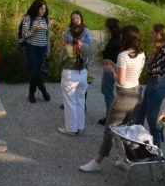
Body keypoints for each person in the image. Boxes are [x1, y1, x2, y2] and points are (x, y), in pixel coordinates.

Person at [79, 26, 146, 173]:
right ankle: (125, 160)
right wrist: (116, 66)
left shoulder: (123, 55)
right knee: (126, 128)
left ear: (125, 38)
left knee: (110, 129)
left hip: (124, 96)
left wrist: (112, 70)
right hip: (136, 93)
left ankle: (98, 161)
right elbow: (131, 73)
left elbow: (121, 80)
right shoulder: (141, 54)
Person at [132, 24, 165, 145]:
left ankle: (156, 143)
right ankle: (135, 138)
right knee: (140, 112)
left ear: (158, 35)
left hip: (159, 85)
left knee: (151, 117)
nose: (151, 35)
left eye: (152, 33)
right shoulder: (157, 48)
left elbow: (153, 69)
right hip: (153, 82)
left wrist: (145, 63)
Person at [58, 24, 92, 135]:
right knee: (80, 101)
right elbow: (88, 59)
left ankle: (71, 128)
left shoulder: (67, 48)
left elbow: (60, 62)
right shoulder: (86, 47)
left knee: (70, 102)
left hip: (70, 75)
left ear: (71, 34)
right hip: (82, 74)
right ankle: (79, 127)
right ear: (82, 35)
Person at [19, 0, 51, 103]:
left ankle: (35, 92)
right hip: (32, 47)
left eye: (45, 9)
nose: (43, 11)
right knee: (34, 71)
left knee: (37, 72)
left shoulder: (46, 19)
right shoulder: (28, 18)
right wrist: (34, 30)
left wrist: (48, 50)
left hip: (42, 48)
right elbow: (24, 35)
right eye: (41, 8)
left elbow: (48, 36)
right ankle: (39, 91)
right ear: (36, 8)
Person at [98, 18, 123, 126]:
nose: (104, 28)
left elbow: (108, 57)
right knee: (105, 90)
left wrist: (103, 50)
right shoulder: (117, 39)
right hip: (112, 67)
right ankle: (112, 113)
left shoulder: (114, 41)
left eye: (106, 26)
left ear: (110, 28)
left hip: (110, 68)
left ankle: (110, 117)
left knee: (107, 92)